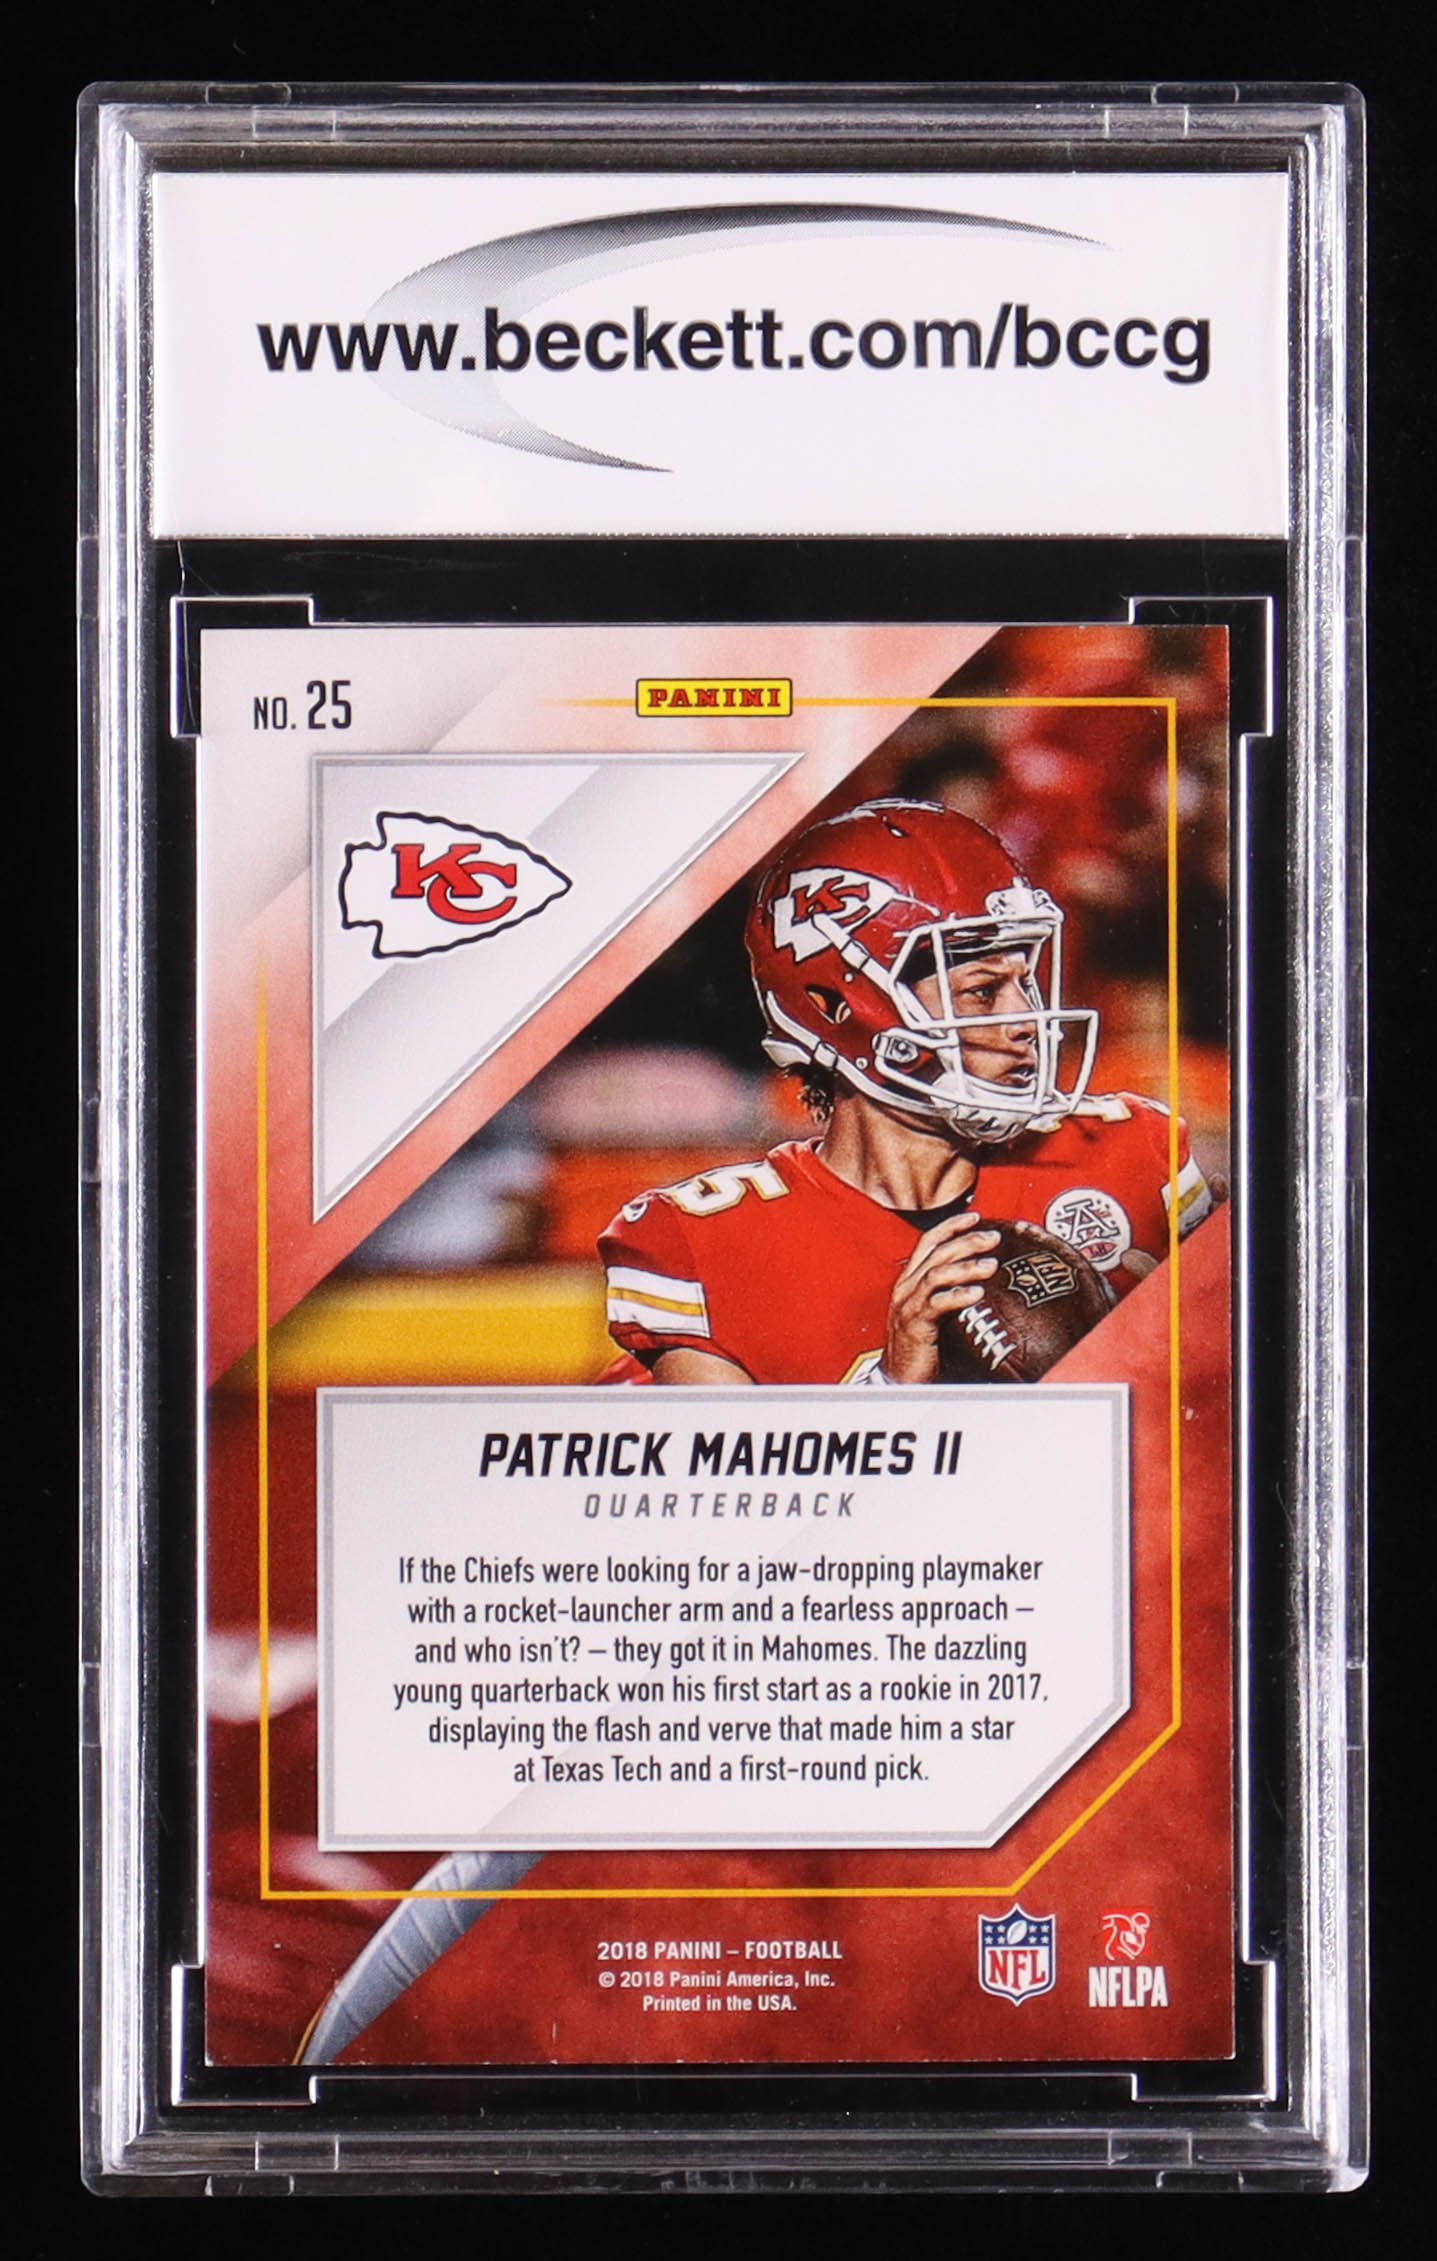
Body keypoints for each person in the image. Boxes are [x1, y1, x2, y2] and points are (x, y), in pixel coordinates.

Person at [600, 799, 1212, 1385]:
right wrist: (892, 1390)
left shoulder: (1131, 1154)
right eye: (981, 991)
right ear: (838, 1006)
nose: (1025, 1020)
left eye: (1024, 982)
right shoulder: (705, 1240)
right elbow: (727, 1462)